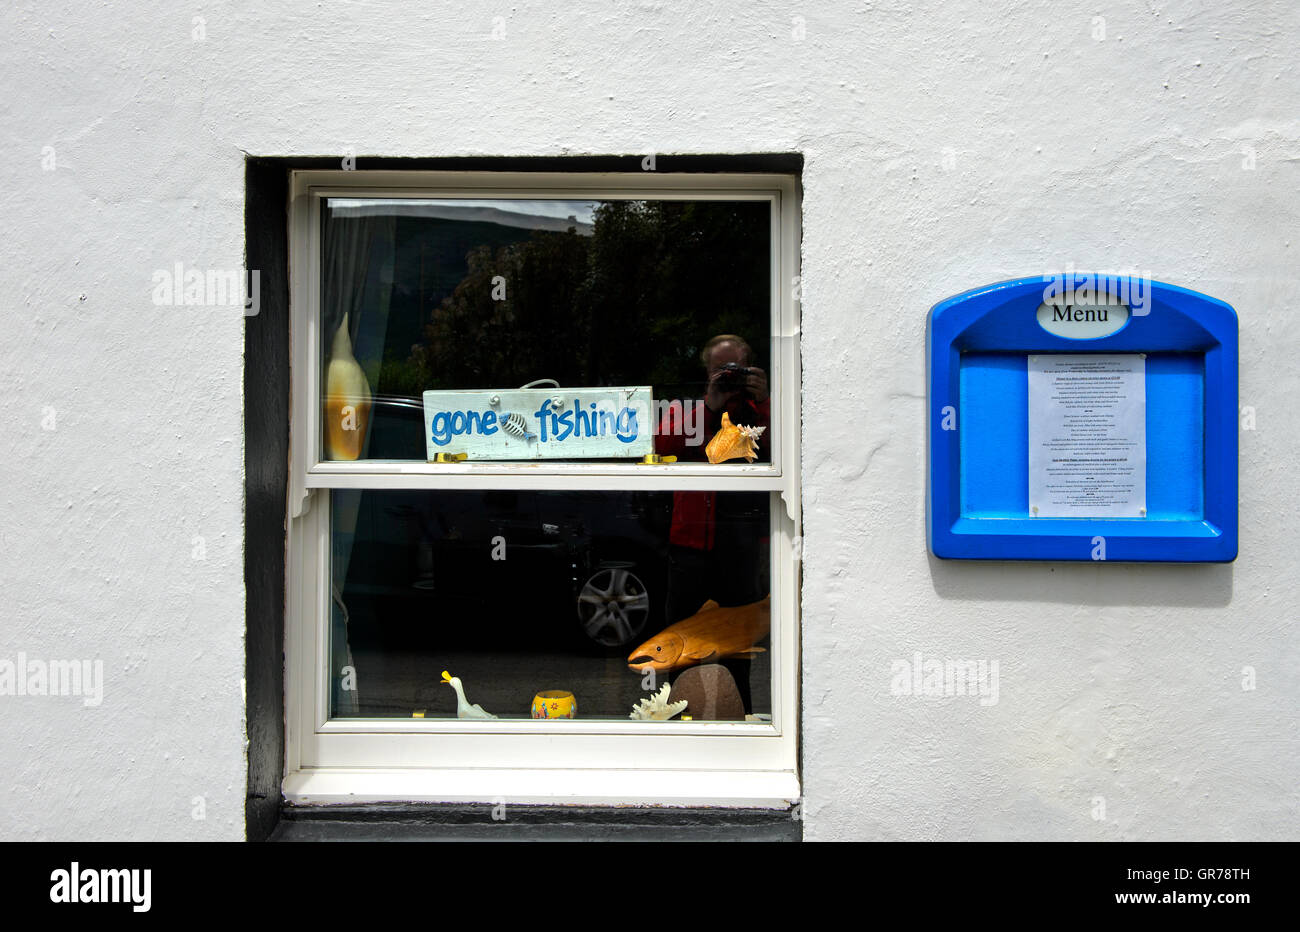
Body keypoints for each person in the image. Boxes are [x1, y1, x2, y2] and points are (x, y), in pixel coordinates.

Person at [654, 335, 771, 714]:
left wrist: (765, 400)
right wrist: (709, 405)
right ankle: (675, 719)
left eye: (737, 369)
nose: (731, 378)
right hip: (690, 544)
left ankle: (740, 720)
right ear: (707, 373)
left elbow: (791, 445)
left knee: (737, 650)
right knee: (678, 646)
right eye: (723, 370)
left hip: (741, 546)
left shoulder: (763, 409)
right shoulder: (691, 409)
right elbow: (662, 445)